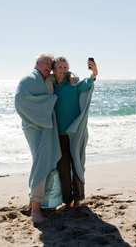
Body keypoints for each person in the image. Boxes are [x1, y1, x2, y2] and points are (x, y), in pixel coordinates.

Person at [14, 53, 63, 225]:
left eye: (51, 63)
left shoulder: (47, 79)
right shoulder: (28, 79)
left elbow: (63, 74)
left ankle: (34, 204)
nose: (49, 65)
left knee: (42, 164)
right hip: (35, 128)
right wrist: (50, 101)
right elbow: (20, 102)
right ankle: (35, 212)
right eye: (46, 62)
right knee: (41, 165)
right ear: (37, 63)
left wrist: (71, 75)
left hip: (47, 128)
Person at [52, 56, 98, 207]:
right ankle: (67, 201)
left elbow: (86, 84)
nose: (63, 70)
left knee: (77, 165)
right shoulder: (51, 86)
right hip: (58, 135)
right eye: (60, 67)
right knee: (63, 169)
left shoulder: (73, 84)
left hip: (76, 133)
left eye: (66, 67)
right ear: (54, 69)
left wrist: (94, 74)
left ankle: (78, 199)